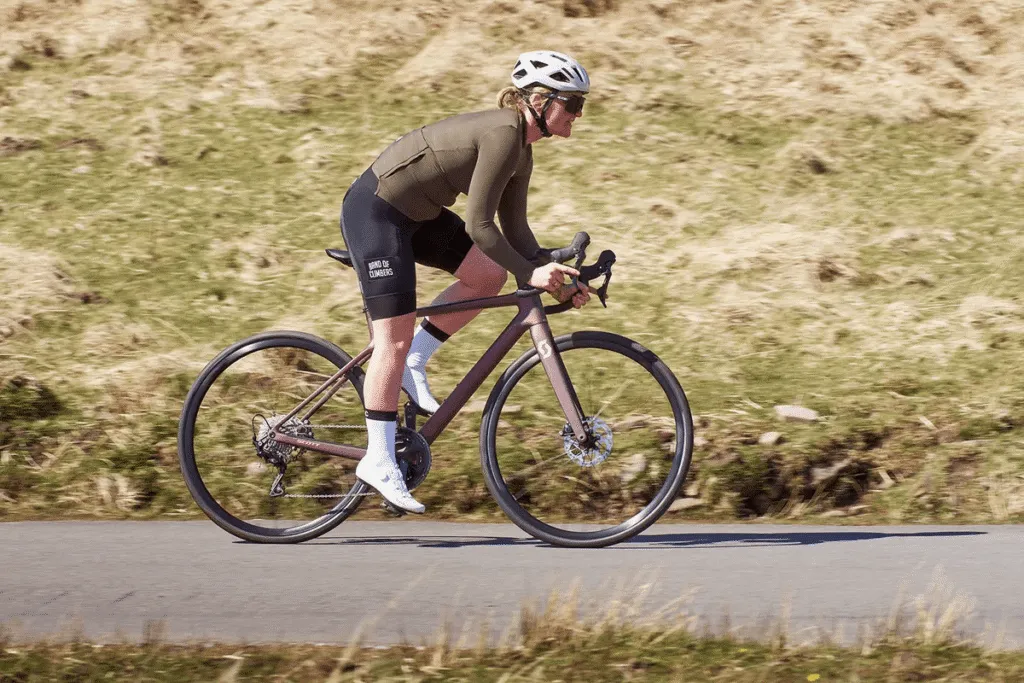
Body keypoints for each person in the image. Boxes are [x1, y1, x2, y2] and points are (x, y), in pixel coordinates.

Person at [339, 50, 593, 514]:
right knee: (389, 340)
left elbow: (515, 233)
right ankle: (377, 459)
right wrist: (532, 271)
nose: (578, 114)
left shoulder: (523, 150)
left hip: (420, 216)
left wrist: (557, 278)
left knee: (487, 274)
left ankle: (418, 358)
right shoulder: (502, 133)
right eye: (573, 105)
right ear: (540, 100)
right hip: (376, 213)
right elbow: (480, 226)